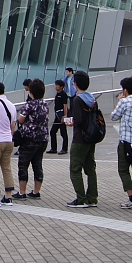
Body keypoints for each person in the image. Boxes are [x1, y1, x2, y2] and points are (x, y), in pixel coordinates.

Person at [110, 76, 132, 210]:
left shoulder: (124, 102)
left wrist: (119, 101)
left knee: (123, 170)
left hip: (125, 141)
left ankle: (131, 198)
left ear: (124, 90)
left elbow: (114, 116)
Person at [67, 71, 99, 208]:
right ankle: (92, 197)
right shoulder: (92, 98)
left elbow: (78, 120)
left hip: (80, 138)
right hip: (91, 137)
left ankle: (81, 199)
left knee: (75, 169)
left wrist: (71, 122)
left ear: (75, 84)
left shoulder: (77, 99)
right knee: (90, 168)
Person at [13, 79, 49, 199]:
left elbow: (21, 120)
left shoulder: (29, 105)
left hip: (29, 139)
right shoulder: (45, 104)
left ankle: (22, 192)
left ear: (31, 92)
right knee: (37, 165)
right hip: (43, 138)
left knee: (23, 165)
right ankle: (36, 191)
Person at [49, 79, 69, 155]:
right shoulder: (57, 95)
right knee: (52, 132)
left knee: (63, 133)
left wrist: (65, 115)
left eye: (57, 85)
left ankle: (64, 149)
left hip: (62, 116)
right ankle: (53, 148)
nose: (56, 86)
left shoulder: (63, 95)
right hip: (57, 116)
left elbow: (65, 105)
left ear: (61, 87)